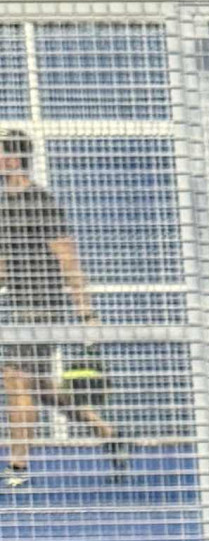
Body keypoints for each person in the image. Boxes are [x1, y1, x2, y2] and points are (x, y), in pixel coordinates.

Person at [1, 129, 121, 489]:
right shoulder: (3, 203)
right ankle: (107, 432)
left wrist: (86, 314)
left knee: (15, 379)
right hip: (18, 304)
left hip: (43, 305)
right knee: (38, 385)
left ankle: (17, 468)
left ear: (13, 159)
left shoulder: (41, 202)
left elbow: (67, 257)